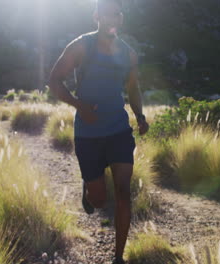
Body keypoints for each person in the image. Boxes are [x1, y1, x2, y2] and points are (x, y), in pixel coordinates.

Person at [48, 0, 148, 263]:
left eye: (117, 14)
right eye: (107, 14)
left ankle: (118, 257)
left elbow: (133, 88)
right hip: (88, 133)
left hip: (118, 131)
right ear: (97, 17)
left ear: (121, 18)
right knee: (100, 201)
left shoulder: (129, 54)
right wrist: (79, 105)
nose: (112, 19)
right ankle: (89, 188)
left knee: (124, 193)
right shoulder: (82, 45)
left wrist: (140, 116)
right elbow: (54, 80)